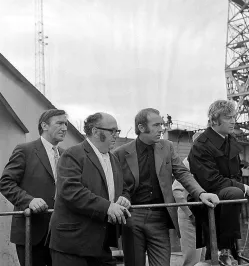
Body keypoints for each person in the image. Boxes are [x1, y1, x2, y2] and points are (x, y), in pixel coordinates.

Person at [113, 108, 219, 266]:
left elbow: (182, 173)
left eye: (161, 125)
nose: (161, 129)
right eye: (156, 125)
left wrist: (201, 194)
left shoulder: (167, 147)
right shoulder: (120, 153)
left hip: (160, 217)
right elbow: (117, 184)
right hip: (132, 217)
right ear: (141, 128)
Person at [49, 112, 131, 266]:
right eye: (112, 131)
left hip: (101, 244)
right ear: (94, 131)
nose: (116, 135)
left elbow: (124, 188)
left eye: (117, 131)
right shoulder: (73, 154)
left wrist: (125, 198)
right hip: (73, 245)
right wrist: (107, 207)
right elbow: (71, 191)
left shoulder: (113, 158)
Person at [188, 100, 249, 266]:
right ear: (214, 121)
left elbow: (237, 174)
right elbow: (210, 180)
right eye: (228, 117)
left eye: (233, 116)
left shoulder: (230, 141)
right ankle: (224, 250)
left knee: (234, 193)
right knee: (234, 193)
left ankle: (227, 251)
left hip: (225, 198)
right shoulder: (201, 145)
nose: (233, 120)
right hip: (206, 198)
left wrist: (240, 186)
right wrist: (245, 188)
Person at [0, 109, 68, 266]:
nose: (64, 128)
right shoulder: (25, 150)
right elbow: (5, 182)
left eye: (65, 124)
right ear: (44, 125)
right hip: (31, 232)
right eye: (59, 123)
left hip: (61, 234)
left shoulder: (67, 155)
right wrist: (28, 201)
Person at [172, 131, 203, 266]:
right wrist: (190, 215)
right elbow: (177, 190)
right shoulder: (189, 162)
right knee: (192, 259)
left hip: (202, 216)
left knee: (203, 259)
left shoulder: (204, 162)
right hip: (191, 217)